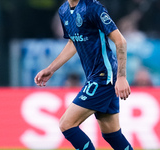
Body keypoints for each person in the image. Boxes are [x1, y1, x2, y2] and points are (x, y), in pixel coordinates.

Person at [34, 0, 133, 149]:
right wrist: (51, 69)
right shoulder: (64, 11)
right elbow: (73, 42)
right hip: (95, 76)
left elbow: (120, 41)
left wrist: (121, 77)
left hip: (103, 76)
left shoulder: (94, 8)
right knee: (111, 133)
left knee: (67, 124)